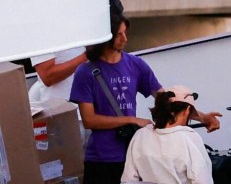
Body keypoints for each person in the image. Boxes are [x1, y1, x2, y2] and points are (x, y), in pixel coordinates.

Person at [70, 13, 221, 184]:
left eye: (125, 32)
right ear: (105, 38)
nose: (125, 39)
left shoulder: (136, 64)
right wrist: (131, 119)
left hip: (131, 153)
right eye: (119, 35)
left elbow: (167, 101)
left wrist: (203, 117)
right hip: (100, 159)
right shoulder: (85, 72)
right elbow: (89, 120)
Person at [121, 85, 213, 184]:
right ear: (187, 110)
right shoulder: (189, 137)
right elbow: (203, 180)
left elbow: (128, 179)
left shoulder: (141, 135)